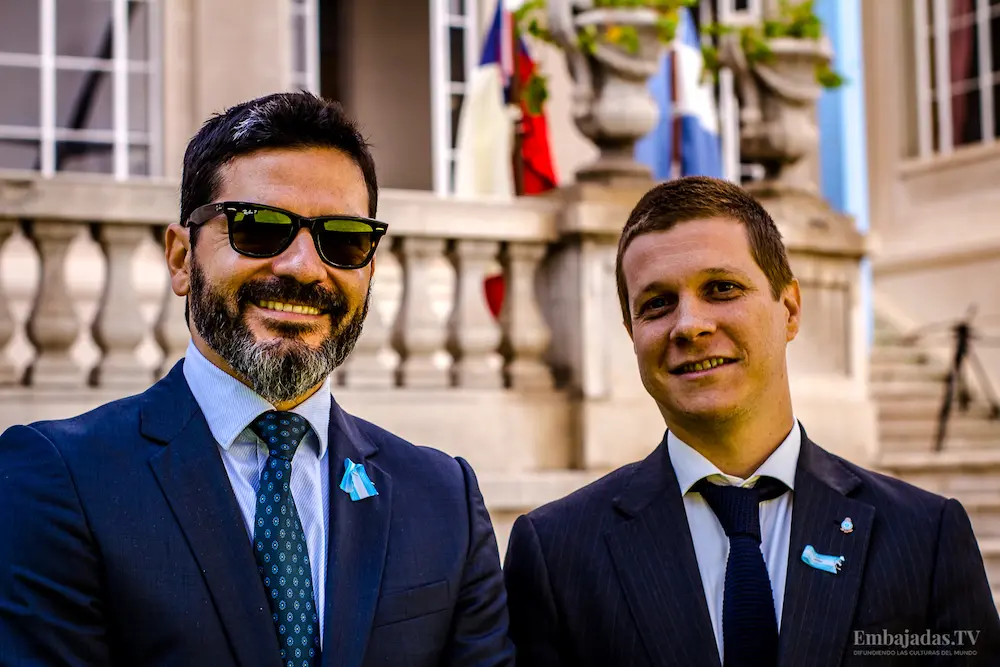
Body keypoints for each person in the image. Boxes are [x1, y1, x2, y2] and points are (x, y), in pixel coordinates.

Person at [0, 92, 514, 667]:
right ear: (181, 258)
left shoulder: (443, 497)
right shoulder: (57, 479)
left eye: (343, 239)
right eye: (260, 229)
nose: (304, 267)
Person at [503, 176, 1000, 667]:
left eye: (721, 288)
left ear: (790, 309)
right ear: (632, 334)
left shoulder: (924, 537)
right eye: (657, 304)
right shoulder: (556, 554)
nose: (689, 325)